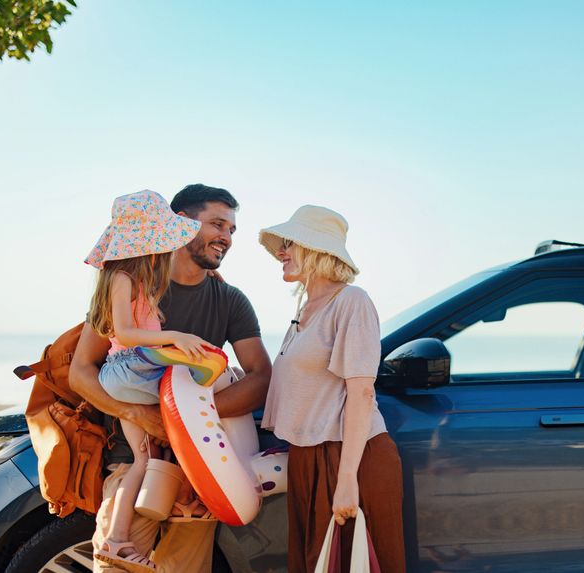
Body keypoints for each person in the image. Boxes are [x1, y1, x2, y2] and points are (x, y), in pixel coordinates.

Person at [70, 184, 272, 573]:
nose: (226, 237)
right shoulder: (132, 280)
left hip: (199, 477)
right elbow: (82, 371)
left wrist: (183, 425)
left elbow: (260, 377)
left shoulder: (230, 300)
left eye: (231, 229)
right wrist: (140, 415)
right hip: (133, 463)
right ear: (178, 225)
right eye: (217, 224)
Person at [83, 190, 225, 571]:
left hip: (128, 374)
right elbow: (126, 333)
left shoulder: (140, 279)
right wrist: (174, 336)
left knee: (143, 459)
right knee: (193, 390)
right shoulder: (122, 277)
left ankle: (116, 541)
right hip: (128, 369)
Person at [258, 205, 405, 572]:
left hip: (351, 457)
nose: (281, 252)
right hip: (309, 458)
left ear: (317, 249)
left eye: (290, 243)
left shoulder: (351, 302)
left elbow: (361, 393)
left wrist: (347, 482)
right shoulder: (306, 311)